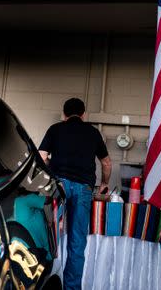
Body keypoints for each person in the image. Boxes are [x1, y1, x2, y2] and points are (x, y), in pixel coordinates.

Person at [38, 97, 112, 290]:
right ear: (83, 114)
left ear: (64, 115)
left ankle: (41, 283)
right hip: (84, 189)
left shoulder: (55, 129)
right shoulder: (93, 132)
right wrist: (104, 183)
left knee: (48, 236)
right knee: (77, 243)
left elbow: (41, 157)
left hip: (59, 187)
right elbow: (106, 162)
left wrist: (49, 174)